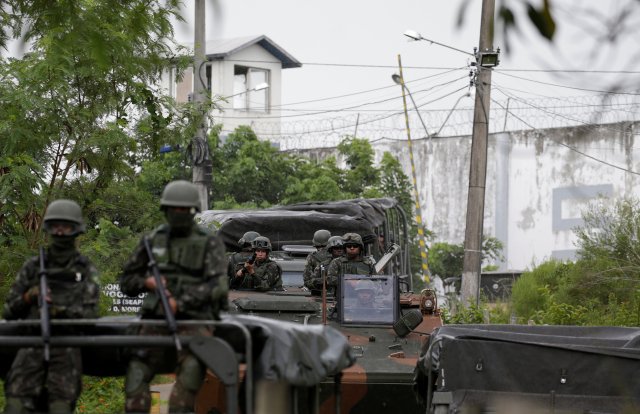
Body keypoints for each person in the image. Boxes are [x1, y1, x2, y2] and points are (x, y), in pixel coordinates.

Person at [119, 180, 228, 413]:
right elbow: (127, 282)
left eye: (184, 210)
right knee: (135, 379)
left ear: (193, 212)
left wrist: (181, 302)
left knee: (184, 392)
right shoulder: (151, 241)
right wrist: (147, 283)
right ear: (166, 210)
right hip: (154, 323)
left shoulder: (209, 243)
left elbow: (217, 286)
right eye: (174, 209)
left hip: (194, 324)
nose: (179, 214)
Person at [3, 199, 99, 414]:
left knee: (61, 407)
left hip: (66, 346)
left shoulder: (84, 268)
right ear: (48, 228)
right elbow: (8, 312)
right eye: (56, 226)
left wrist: (60, 312)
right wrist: (29, 297)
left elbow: (91, 316)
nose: (60, 232)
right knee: (15, 406)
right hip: (32, 344)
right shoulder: (33, 266)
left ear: (77, 230)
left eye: (66, 227)